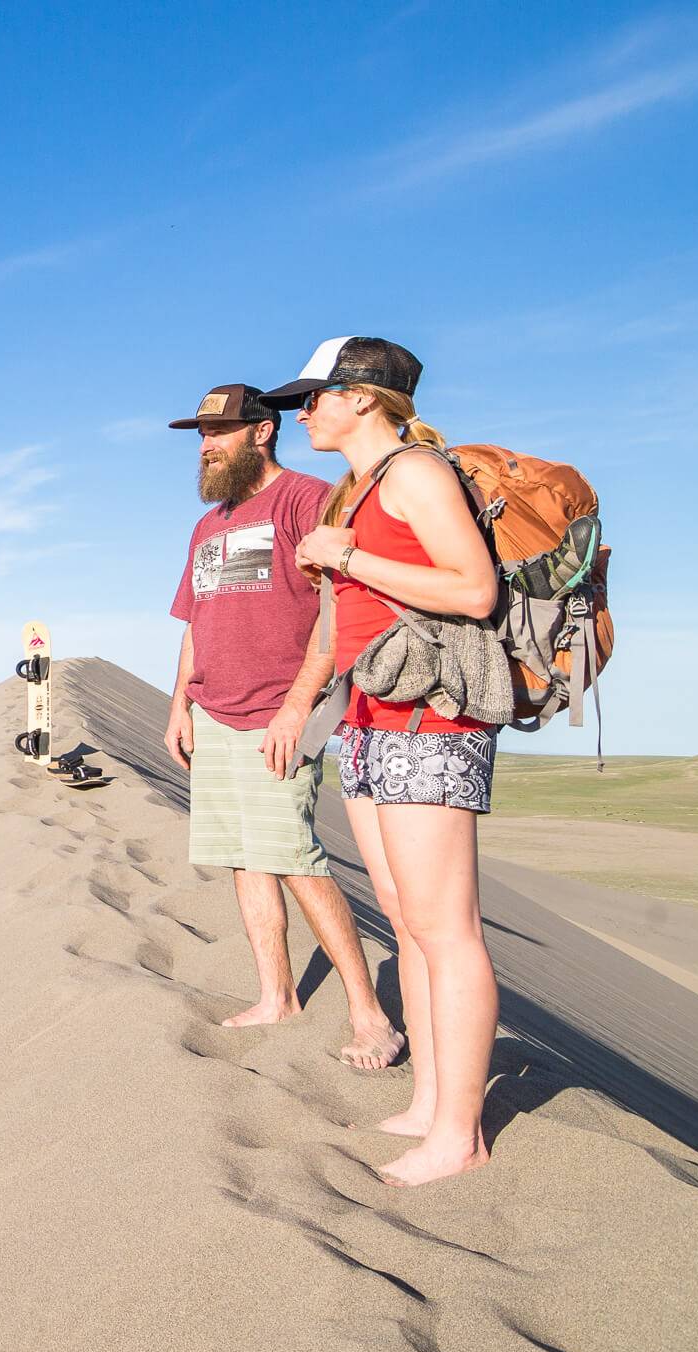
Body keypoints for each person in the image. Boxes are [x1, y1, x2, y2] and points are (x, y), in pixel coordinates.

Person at [266, 336, 503, 1187]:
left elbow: (475, 591)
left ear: (364, 398)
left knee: (448, 929)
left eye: (316, 396)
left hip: (432, 718)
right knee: (406, 919)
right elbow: (340, 622)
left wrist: (349, 557)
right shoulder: (351, 492)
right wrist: (304, 700)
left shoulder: (415, 474)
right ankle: (433, 1102)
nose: (303, 412)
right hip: (367, 717)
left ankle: (460, 1135)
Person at [163, 383, 400, 1070]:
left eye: (220, 432)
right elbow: (194, 623)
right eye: (201, 436)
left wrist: (299, 707)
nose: (206, 446)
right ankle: (276, 995)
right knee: (245, 857)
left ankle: (369, 1014)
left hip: (280, 712)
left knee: (294, 857)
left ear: (261, 433)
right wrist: (179, 704)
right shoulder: (209, 525)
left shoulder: (306, 499)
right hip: (215, 711)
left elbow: (336, 611)